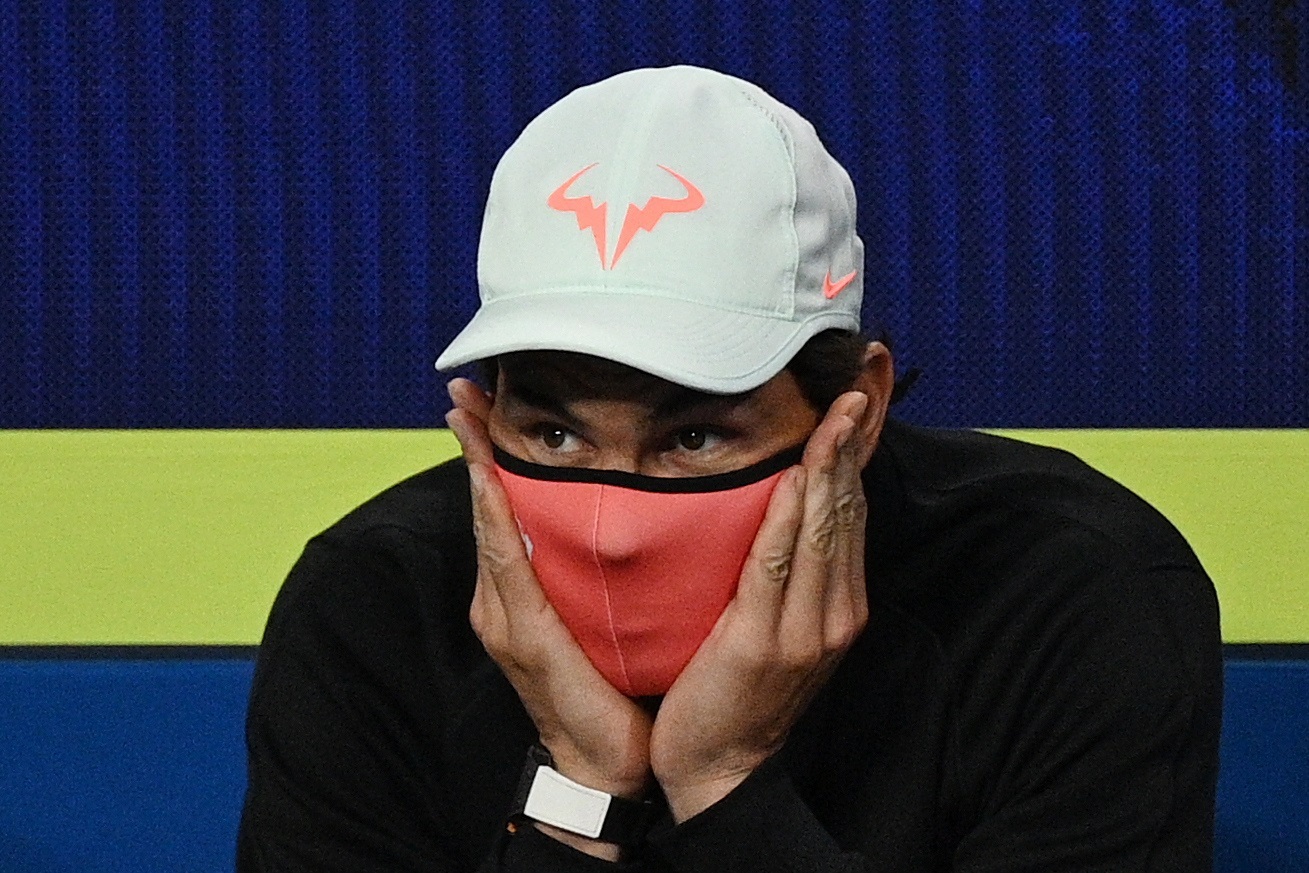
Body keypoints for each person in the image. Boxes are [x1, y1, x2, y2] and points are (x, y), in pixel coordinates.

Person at [237, 66, 1222, 871]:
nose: (614, 529)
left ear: (859, 412)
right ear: (483, 413)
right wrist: (580, 784)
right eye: (553, 436)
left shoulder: (1073, 596)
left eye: (694, 438)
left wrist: (722, 783)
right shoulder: (377, 599)